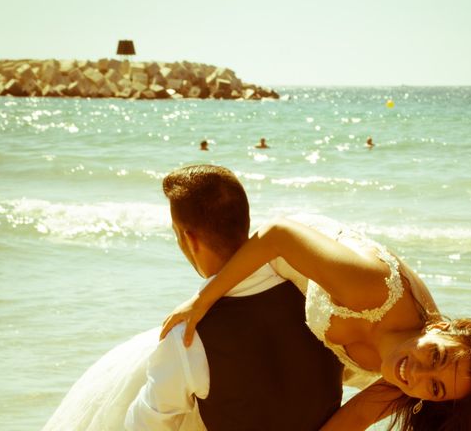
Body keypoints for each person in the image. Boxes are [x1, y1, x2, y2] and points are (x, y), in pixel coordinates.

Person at [162, 213, 471, 430]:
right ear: (439, 329)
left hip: (320, 309)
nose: (419, 373)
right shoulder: (371, 290)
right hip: (284, 254)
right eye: (438, 357)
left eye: (436, 388)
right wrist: (201, 299)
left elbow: (357, 416)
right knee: (209, 278)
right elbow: (276, 235)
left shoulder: (407, 383)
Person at [43, 165, 344, 431]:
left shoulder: (189, 337)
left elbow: (146, 427)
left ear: (189, 238)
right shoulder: (319, 297)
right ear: (245, 222)